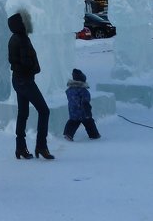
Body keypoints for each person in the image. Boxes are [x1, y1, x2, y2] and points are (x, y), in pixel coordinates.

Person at [7, 13, 54, 160]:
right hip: (25, 81)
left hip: (20, 80)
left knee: (23, 113)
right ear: (19, 24)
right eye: (24, 22)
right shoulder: (20, 39)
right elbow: (23, 62)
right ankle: (41, 146)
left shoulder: (17, 38)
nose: (28, 23)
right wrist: (34, 68)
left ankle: (20, 147)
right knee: (44, 111)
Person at [63, 68, 101, 141]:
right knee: (89, 123)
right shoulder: (84, 91)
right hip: (83, 112)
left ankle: (68, 134)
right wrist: (88, 113)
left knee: (72, 122)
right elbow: (85, 102)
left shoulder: (69, 90)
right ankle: (94, 135)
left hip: (73, 110)